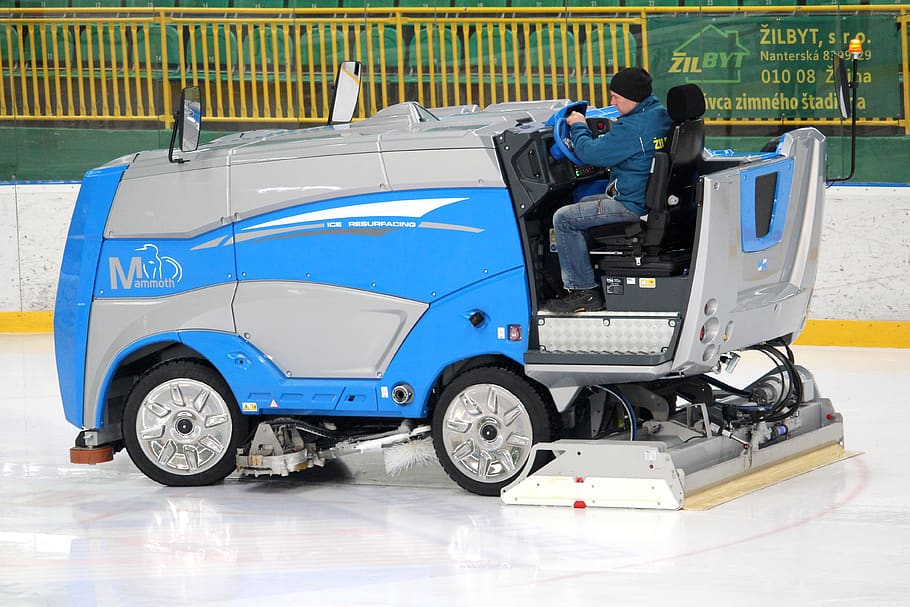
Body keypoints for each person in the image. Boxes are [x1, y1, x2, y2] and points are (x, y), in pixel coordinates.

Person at [547, 67, 673, 314]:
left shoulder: (634, 128)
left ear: (633, 97)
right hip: (644, 197)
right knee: (582, 200)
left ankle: (583, 292)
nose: (612, 102)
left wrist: (579, 126)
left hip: (630, 204)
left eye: (616, 97)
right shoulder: (658, 116)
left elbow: (589, 152)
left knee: (563, 218)